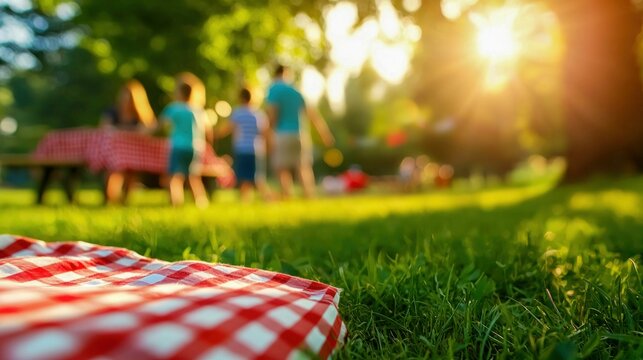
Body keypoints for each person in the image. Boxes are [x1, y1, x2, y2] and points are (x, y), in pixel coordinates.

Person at [265, 64, 334, 198]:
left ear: (275, 74)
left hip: (282, 134)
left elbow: (272, 114)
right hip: (300, 134)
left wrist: (267, 133)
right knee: (303, 166)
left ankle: (286, 195)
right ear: (287, 74)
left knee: (281, 167)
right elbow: (313, 115)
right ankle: (309, 195)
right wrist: (325, 134)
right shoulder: (296, 91)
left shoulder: (274, 89)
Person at [100, 80, 157, 204]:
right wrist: (133, 131)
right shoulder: (112, 111)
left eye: (128, 96)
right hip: (113, 151)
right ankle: (109, 199)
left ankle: (125, 199)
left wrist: (121, 130)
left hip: (134, 153)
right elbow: (104, 128)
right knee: (114, 170)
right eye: (123, 95)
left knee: (132, 170)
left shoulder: (141, 113)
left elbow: (150, 129)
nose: (125, 99)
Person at [160, 72, 211, 208]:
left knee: (175, 176)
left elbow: (163, 124)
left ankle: (175, 203)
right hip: (195, 148)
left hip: (178, 146)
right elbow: (207, 129)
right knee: (193, 177)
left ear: (179, 92)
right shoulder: (198, 110)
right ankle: (201, 203)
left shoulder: (173, 109)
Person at [217, 88, 271, 202]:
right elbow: (265, 132)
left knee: (243, 177)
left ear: (241, 98)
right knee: (257, 177)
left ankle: (249, 200)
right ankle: (257, 199)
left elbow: (227, 129)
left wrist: (216, 134)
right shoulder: (258, 114)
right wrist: (268, 148)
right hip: (256, 150)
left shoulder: (238, 113)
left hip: (242, 149)